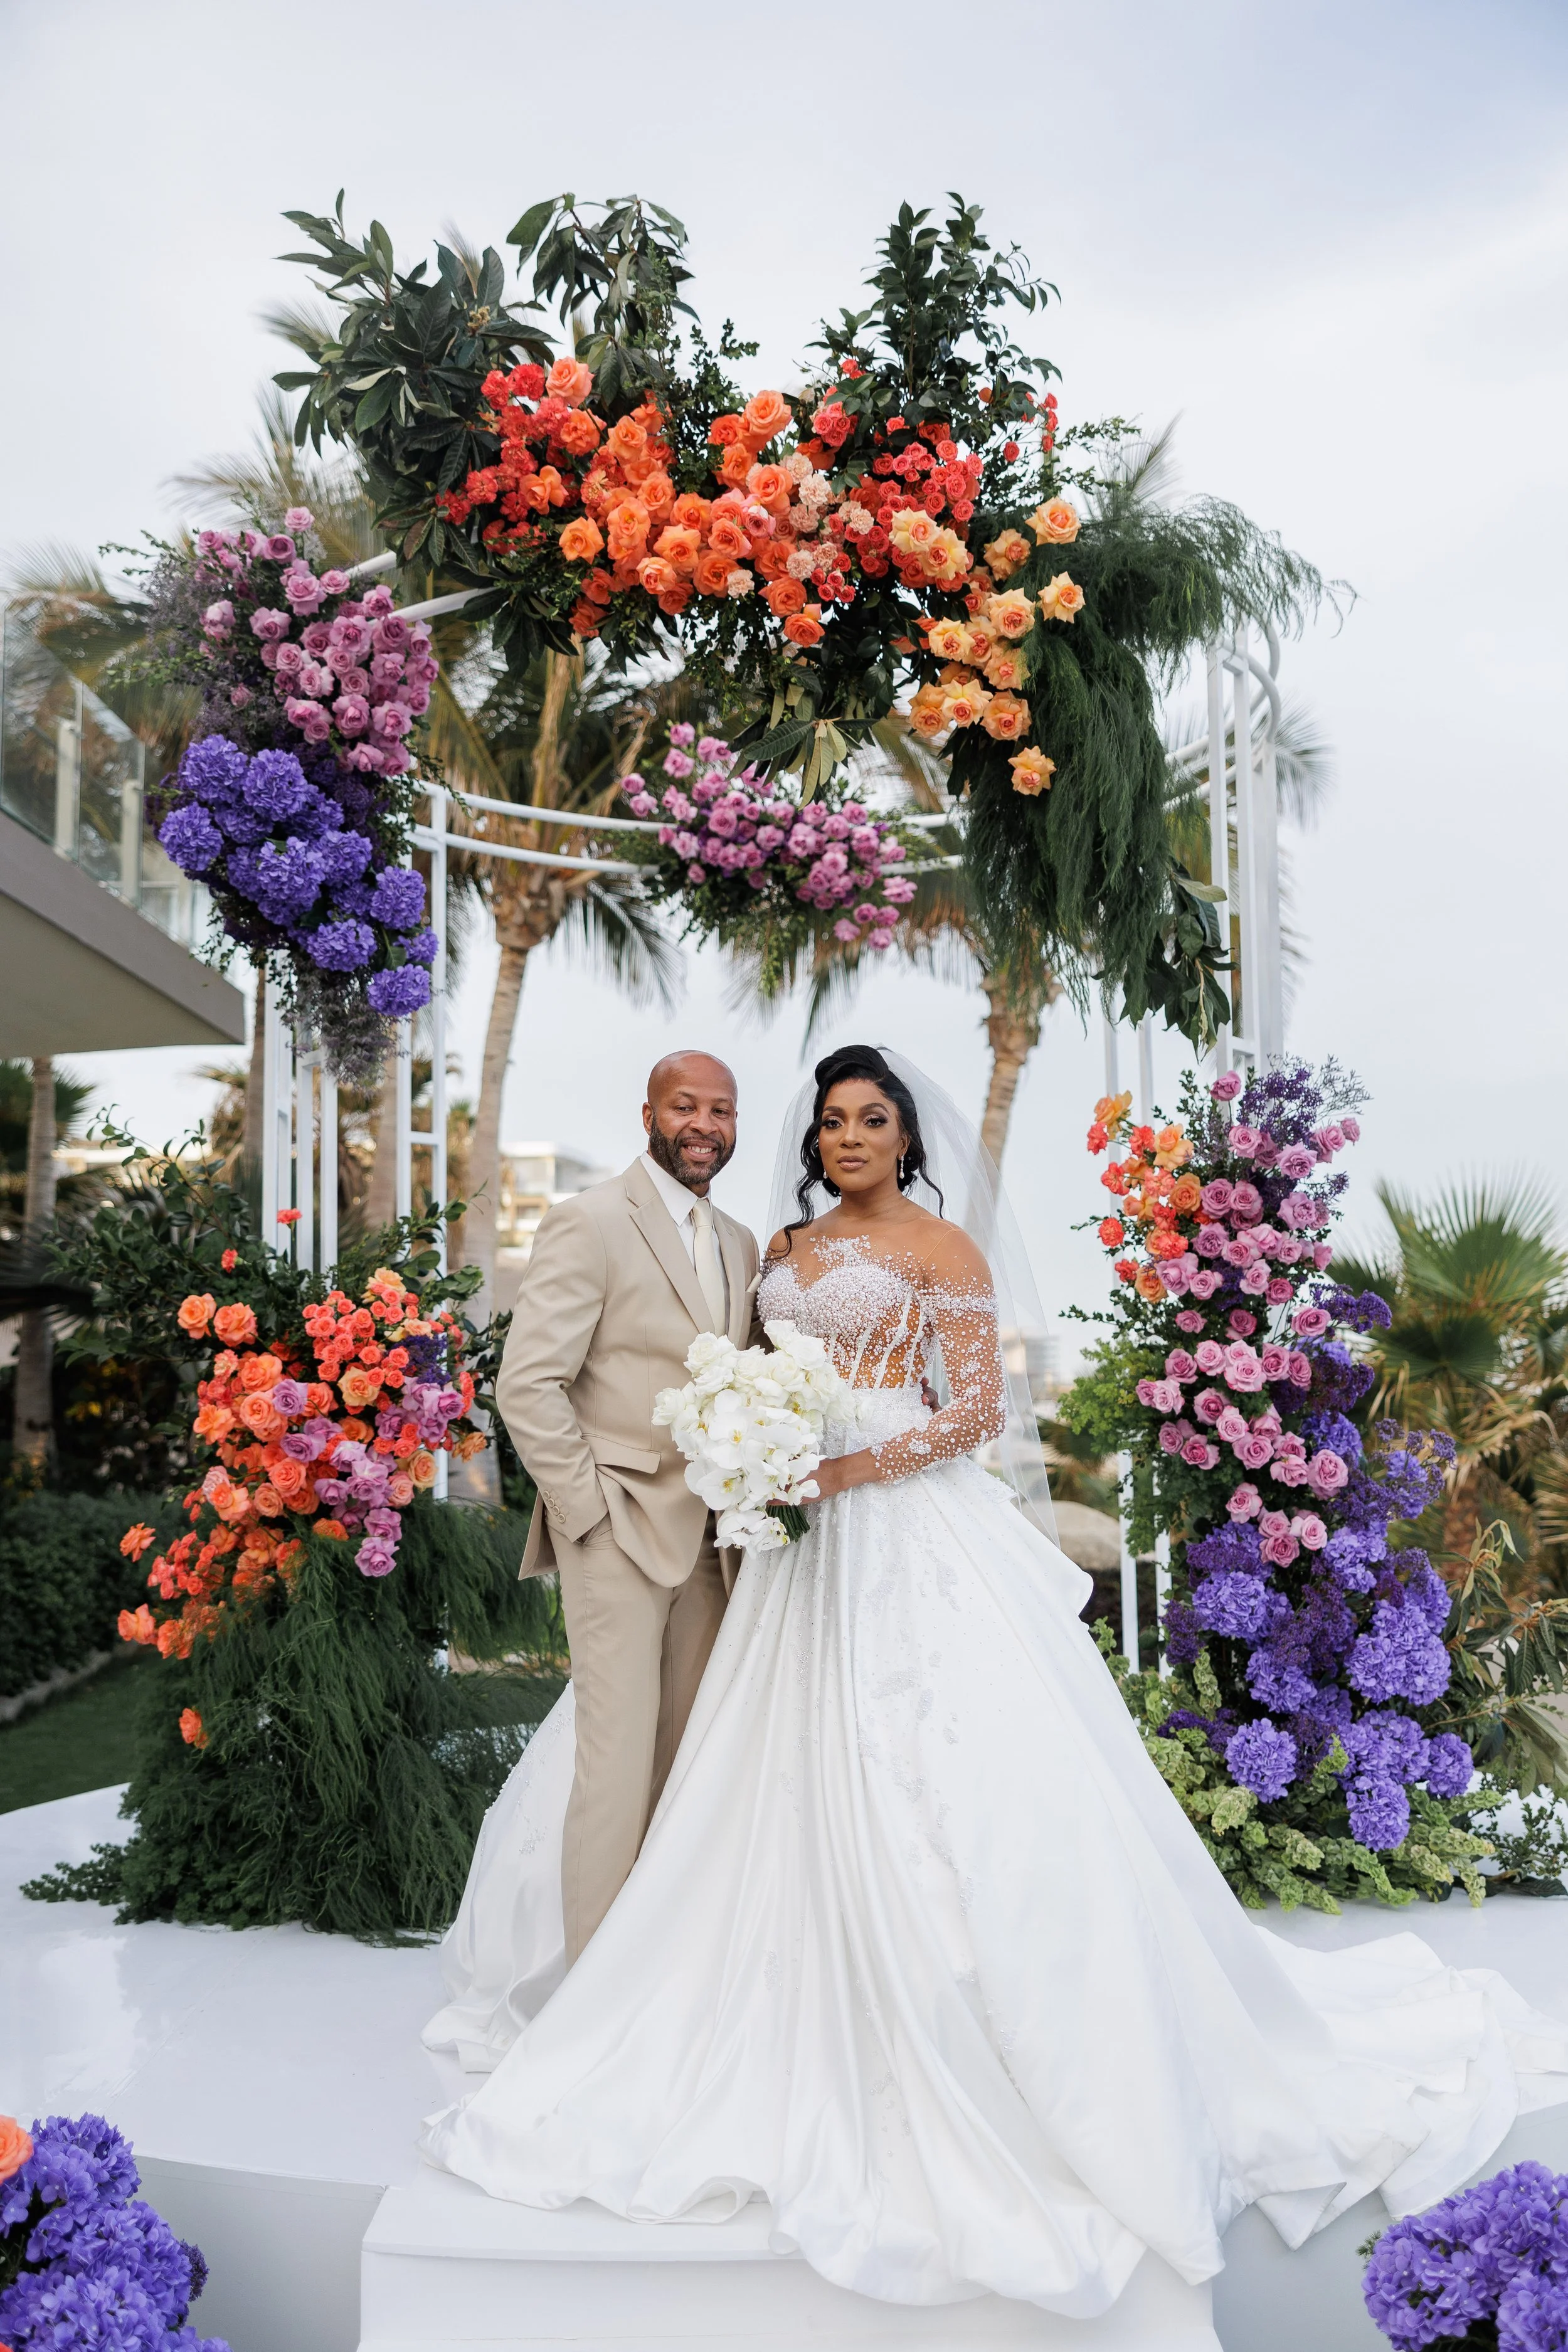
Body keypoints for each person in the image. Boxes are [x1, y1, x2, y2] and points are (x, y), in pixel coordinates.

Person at [423, 1045, 1568, 2322]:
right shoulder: (779, 1255)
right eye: (833, 1119)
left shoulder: (940, 1252)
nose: (849, 1136)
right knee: (735, 1771)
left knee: (940, 1777)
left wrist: (844, 1474)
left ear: (907, 1137)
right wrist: (762, 1462)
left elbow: (968, 1412)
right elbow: (723, 1379)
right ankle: (674, 1998)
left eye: (873, 1119)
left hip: (899, 1528)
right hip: (784, 1557)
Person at [490, 1049, 761, 1968]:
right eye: (686, 1104)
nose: (704, 1124)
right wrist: (588, 1514)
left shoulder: (742, 1243)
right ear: (648, 1111)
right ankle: (588, 1993)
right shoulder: (590, 1221)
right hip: (616, 1529)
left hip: (717, 1544)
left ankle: (656, 1983)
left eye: (721, 1109)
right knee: (613, 1764)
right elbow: (528, 1386)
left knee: (682, 1764)